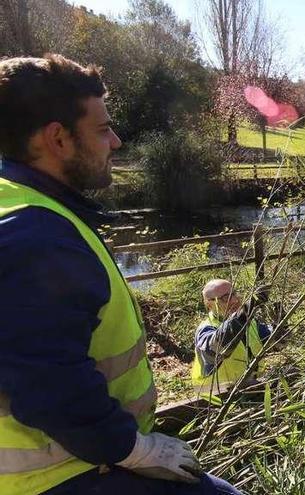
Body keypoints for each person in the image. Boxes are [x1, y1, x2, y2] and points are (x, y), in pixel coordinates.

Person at [0, 55, 240, 494]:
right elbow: (45, 380)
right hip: (70, 473)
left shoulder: (22, 206)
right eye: (102, 128)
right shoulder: (36, 235)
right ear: (58, 139)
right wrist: (133, 449)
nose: (117, 140)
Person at [192, 280, 271, 396]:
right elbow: (217, 348)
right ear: (209, 304)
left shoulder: (251, 323)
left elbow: (277, 343)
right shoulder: (206, 330)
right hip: (217, 400)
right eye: (225, 298)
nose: (234, 300)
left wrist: (281, 325)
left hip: (254, 390)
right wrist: (244, 313)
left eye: (234, 293)